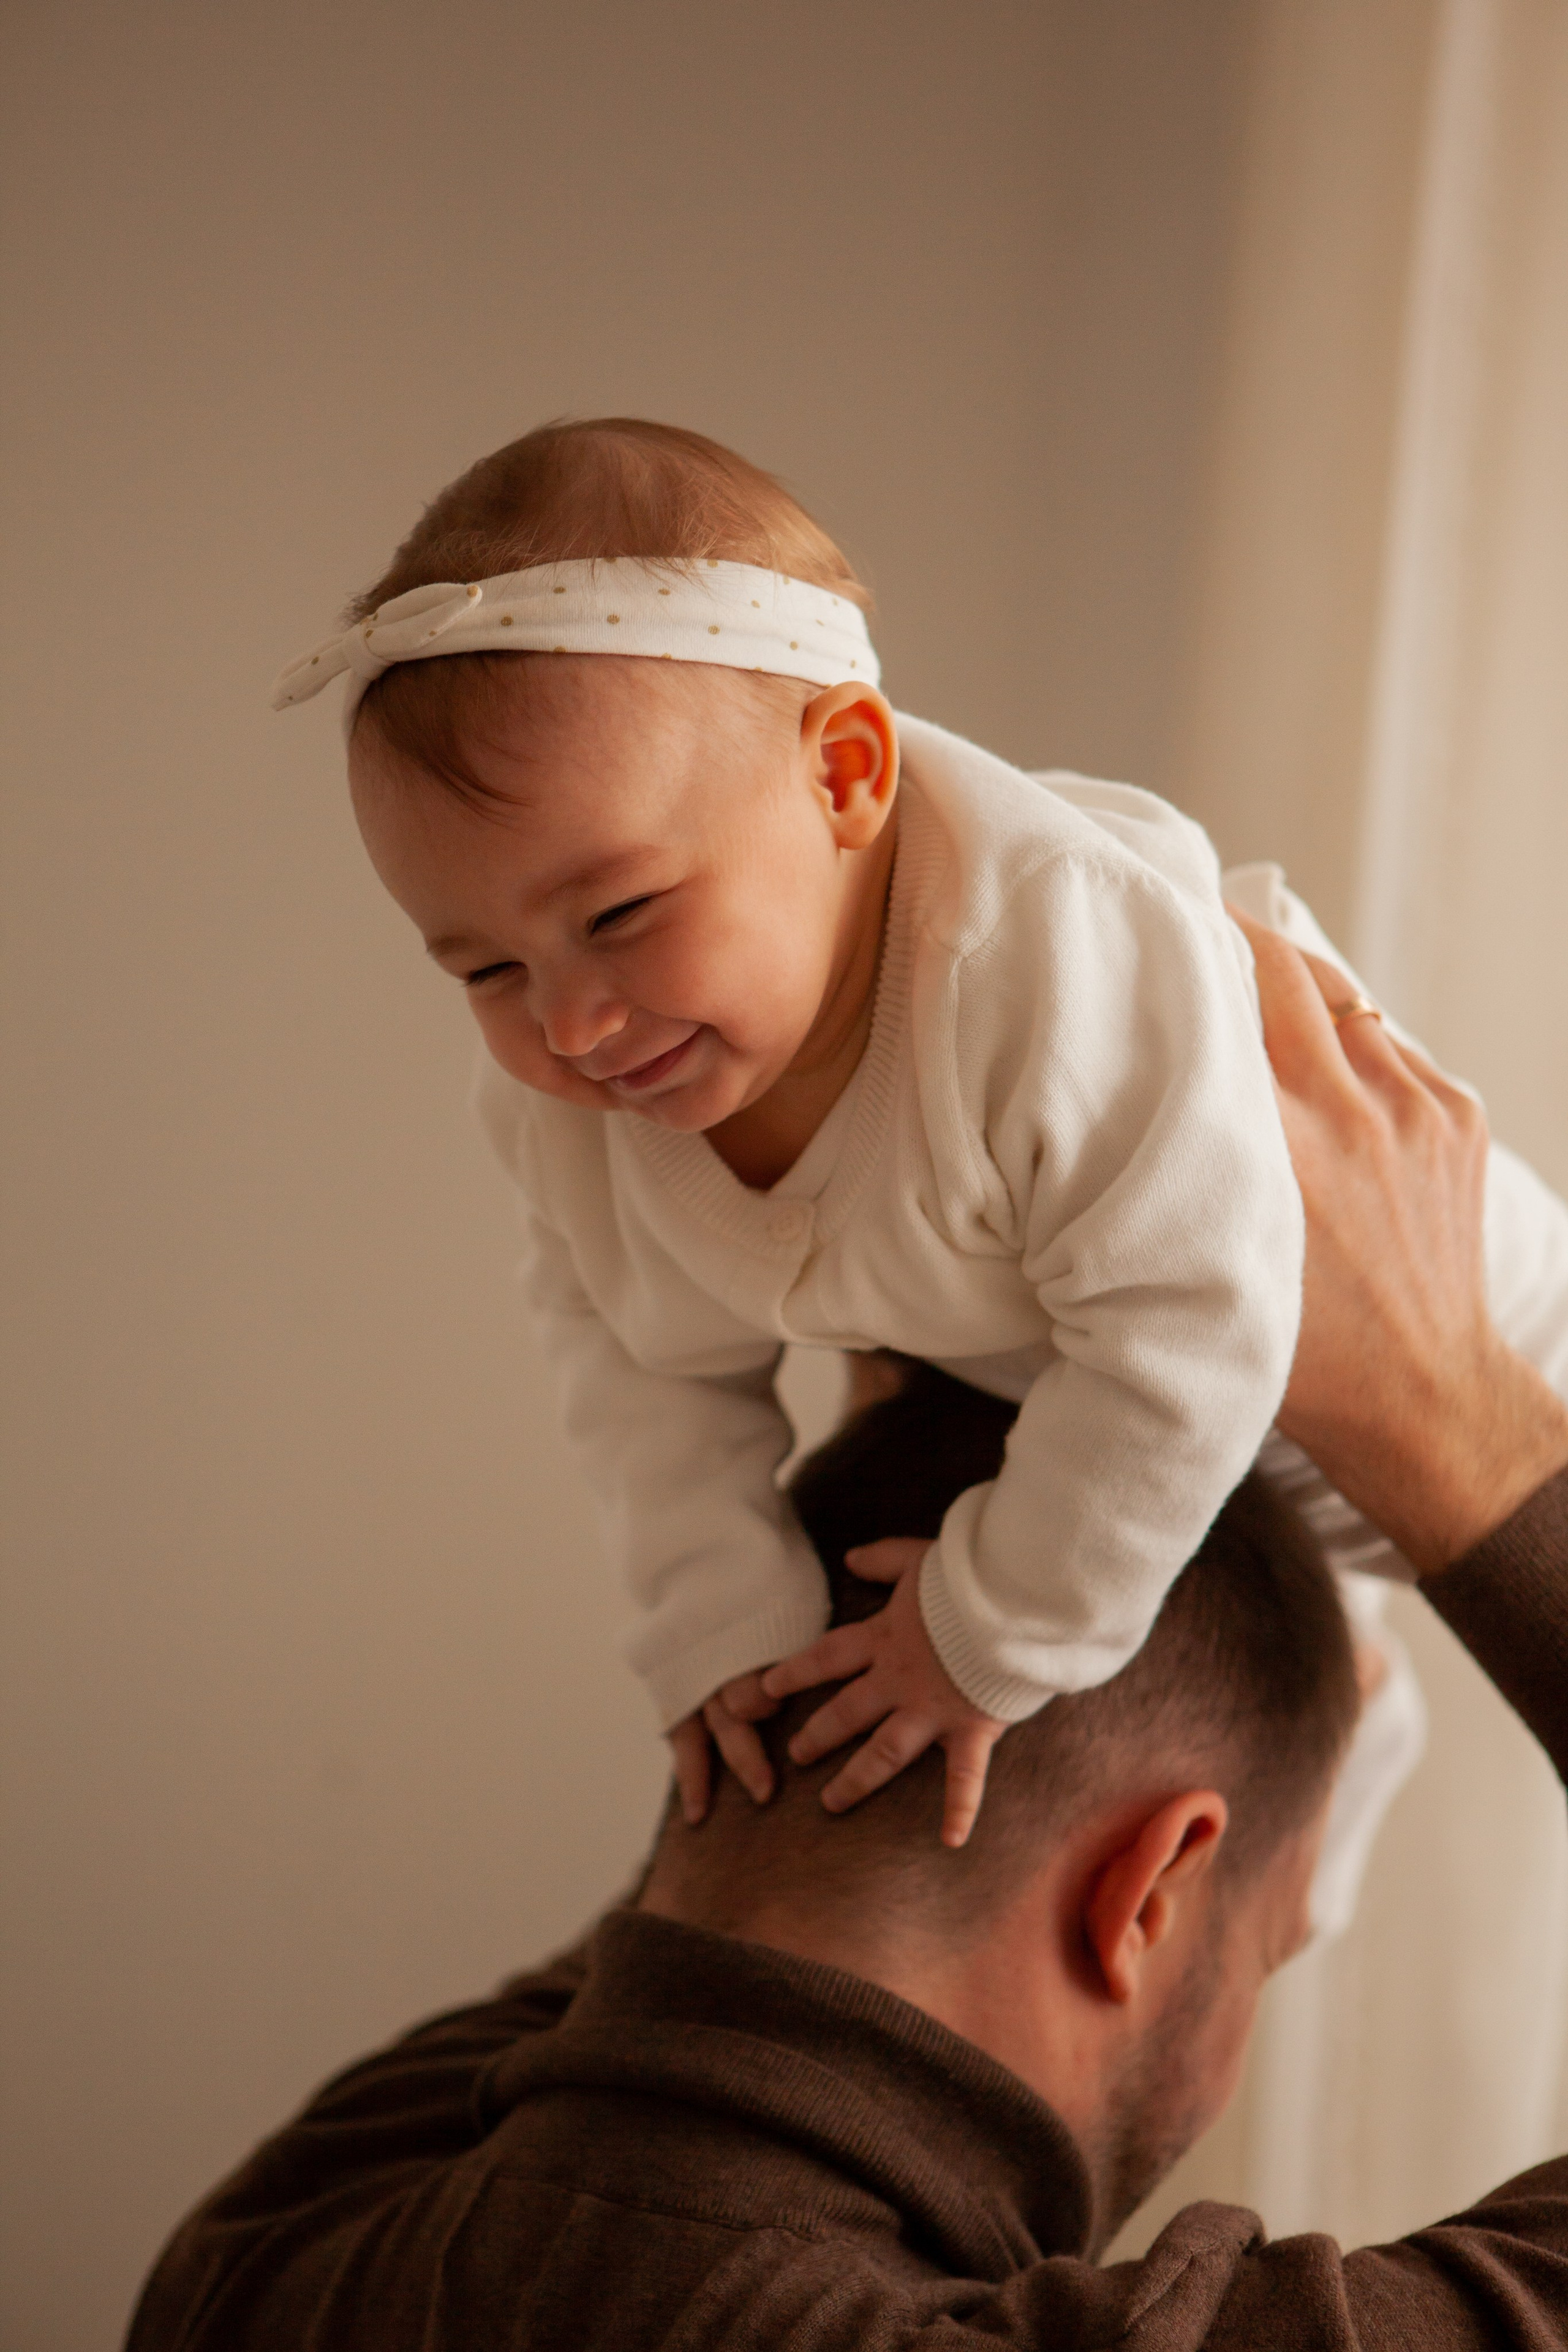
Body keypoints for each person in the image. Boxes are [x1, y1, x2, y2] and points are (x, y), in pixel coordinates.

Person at [127, 921, 1568, 2348]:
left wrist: (920, 1383)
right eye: (1261, 1950)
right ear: (1147, 1895)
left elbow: (679, 2021)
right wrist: (1444, 1417)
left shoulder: (267, 2258)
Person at [274, 415, 1313, 1845]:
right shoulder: (571, 1111)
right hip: (1187, 1484)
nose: (570, 1024)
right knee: (1304, 1765)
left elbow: (1193, 1321)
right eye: (484, 970)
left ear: (844, 777)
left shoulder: (1045, 955)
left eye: (622, 914)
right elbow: (627, 1356)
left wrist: (986, 1627)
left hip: (1412, 1347)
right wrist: (715, 1607)